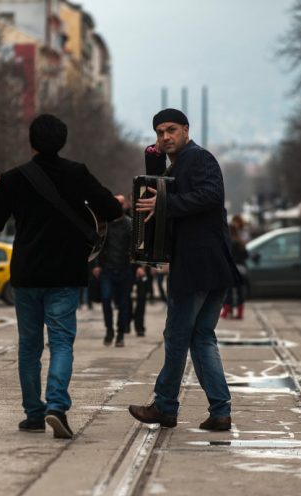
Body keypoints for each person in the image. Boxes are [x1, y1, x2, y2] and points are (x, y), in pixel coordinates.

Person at [0, 114, 122, 439]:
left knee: (29, 347)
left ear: (31, 142)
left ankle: (33, 414)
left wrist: (5, 194)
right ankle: (56, 406)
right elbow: (114, 211)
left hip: (27, 274)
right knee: (61, 343)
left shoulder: (14, 178)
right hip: (65, 274)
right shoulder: (77, 173)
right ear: (63, 141)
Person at [129, 108, 241, 431]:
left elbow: (211, 195)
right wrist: (154, 165)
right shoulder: (179, 165)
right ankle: (220, 411)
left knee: (177, 336)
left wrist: (165, 203)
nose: (165, 137)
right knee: (202, 337)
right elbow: (161, 189)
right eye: (160, 132)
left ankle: (165, 406)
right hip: (209, 265)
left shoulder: (198, 158)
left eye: (171, 130)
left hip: (197, 266)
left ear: (186, 130)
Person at [92, 201, 134, 347]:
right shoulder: (105, 224)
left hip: (124, 269)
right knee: (106, 299)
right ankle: (109, 330)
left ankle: (120, 334)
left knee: (123, 303)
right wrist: (96, 265)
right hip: (107, 269)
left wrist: (140, 267)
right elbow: (98, 244)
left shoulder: (129, 224)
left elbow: (136, 247)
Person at [221, 223, 249, 320]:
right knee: (239, 291)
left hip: (232, 269)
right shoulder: (240, 242)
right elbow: (246, 255)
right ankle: (240, 313)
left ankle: (227, 311)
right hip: (241, 269)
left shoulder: (230, 242)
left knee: (229, 291)